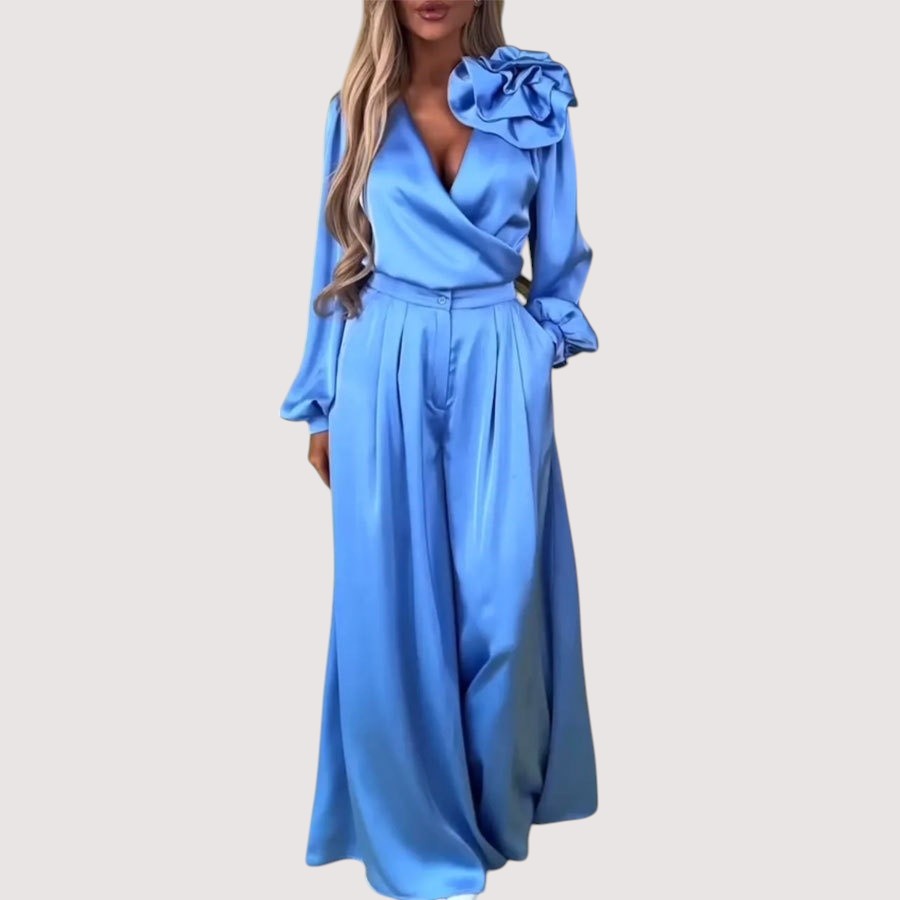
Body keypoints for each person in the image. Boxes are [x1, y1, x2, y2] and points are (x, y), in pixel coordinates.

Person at [279, 2, 598, 898]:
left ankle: (492, 815)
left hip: (499, 358)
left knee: (504, 606)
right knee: (392, 609)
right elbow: (333, 263)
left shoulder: (531, 97)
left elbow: (562, 259)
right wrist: (321, 406)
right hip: (384, 356)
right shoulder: (357, 107)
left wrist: (534, 348)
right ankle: (416, 839)